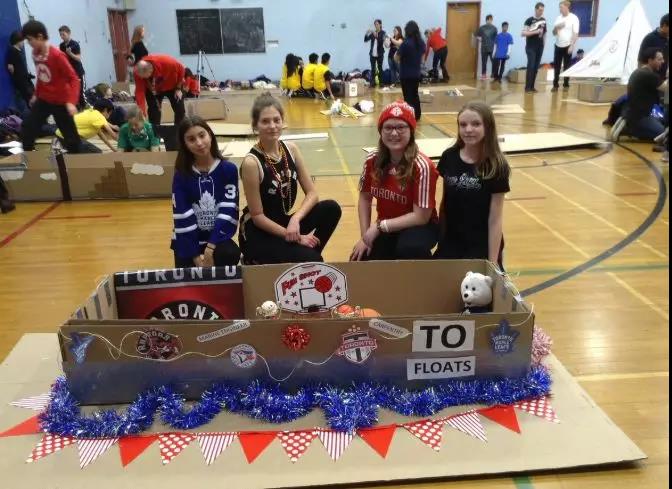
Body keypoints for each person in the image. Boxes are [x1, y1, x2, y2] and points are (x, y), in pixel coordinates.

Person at [239, 94, 341, 264]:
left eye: (276, 120)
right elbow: (257, 216)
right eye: (265, 121)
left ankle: (303, 255)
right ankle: (256, 259)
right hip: (258, 232)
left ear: (282, 122)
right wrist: (297, 237)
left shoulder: (291, 149)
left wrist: (295, 219)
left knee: (331, 208)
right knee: (314, 260)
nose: (272, 126)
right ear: (255, 126)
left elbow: (312, 194)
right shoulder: (252, 163)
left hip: (284, 223)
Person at [351, 101, 438, 261]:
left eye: (400, 127)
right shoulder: (372, 160)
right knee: (360, 258)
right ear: (380, 131)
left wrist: (379, 227)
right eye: (388, 127)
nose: (394, 133)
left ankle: (425, 270)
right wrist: (365, 237)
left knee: (409, 248)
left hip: (419, 227)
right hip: (387, 226)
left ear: (411, 131)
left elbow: (421, 217)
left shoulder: (422, 166)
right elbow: (364, 198)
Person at [434, 101, 511, 270]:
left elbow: (495, 219)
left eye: (476, 124)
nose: (468, 129)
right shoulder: (449, 157)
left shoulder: (496, 165)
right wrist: (441, 239)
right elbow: (444, 203)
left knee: (479, 285)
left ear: (487, 127)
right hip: (452, 241)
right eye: (463, 125)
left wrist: (492, 263)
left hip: (480, 243)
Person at [171, 116, 241, 268]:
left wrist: (210, 247)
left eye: (202, 135)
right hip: (189, 239)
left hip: (216, 238)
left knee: (230, 253)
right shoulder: (181, 175)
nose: (199, 143)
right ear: (184, 144)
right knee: (186, 268)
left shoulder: (228, 170)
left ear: (210, 135)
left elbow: (228, 209)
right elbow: (182, 215)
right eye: (191, 139)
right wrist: (196, 257)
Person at [19, 20, 81, 154]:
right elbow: (41, 77)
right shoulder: (35, 54)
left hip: (61, 101)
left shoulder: (57, 55)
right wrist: (36, 94)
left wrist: (71, 102)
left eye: (30, 39)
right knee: (28, 128)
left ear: (40, 36)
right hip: (45, 99)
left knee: (71, 139)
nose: (28, 43)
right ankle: (29, 157)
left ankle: (77, 160)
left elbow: (74, 79)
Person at [613, 48, 667, 141]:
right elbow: (666, 88)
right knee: (664, 135)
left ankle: (629, 125)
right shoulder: (649, 75)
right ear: (650, 60)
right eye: (659, 59)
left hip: (632, 114)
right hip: (640, 118)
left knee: (662, 121)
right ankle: (630, 129)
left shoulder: (638, 71)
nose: (663, 61)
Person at [134, 54, 187, 129]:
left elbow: (182, 69)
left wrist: (178, 88)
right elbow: (140, 92)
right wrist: (141, 112)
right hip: (153, 89)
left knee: (179, 108)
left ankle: (179, 130)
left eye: (144, 77)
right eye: (141, 77)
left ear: (150, 71)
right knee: (154, 109)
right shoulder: (138, 71)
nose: (142, 79)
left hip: (173, 85)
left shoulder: (167, 63)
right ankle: (155, 131)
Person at [395, 21, 426, 122]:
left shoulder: (406, 43)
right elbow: (423, 57)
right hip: (416, 73)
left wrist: (399, 51)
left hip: (406, 74)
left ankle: (409, 116)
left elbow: (396, 58)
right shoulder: (421, 42)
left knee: (408, 96)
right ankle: (417, 115)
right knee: (415, 94)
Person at [551, 1, 579, 92]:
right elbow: (553, 33)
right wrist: (556, 27)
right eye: (559, 7)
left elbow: (575, 33)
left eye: (561, 7)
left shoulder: (574, 18)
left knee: (567, 66)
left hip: (568, 45)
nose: (560, 9)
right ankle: (555, 85)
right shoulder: (558, 18)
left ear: (567, 7)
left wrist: (572, 45)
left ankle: (566, 84)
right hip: (558, 45)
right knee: (557, 66)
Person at [5, 31, 34, 115]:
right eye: (22, 41)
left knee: (31, 99)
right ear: (18, 41)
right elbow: (10, 67)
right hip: (22, 82)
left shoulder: (17, 51)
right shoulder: (13, 51)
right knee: (29, 100)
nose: (23, 43)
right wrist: (18, 77)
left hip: (24, 80)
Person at [522, 2, 547, 93]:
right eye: (540, 10)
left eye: (542, 10)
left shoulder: (543, 20)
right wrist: (535, 32)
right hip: (530, 47)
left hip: (540, 47)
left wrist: (544, 44)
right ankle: (527, 88)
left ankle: (532, 87)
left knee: (536, 67)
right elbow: (523, 33)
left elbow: (544, 33)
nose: (541, 12)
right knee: (531, 66)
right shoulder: (529, 20)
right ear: (536, 9)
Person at [58, 26, 85, 108]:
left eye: (63, 34)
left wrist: (70, 54)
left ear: (69, 33)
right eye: (60, 35)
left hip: (78, 72)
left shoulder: (75, 44)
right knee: (72, 93)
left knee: (81, 94)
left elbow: (78, 58)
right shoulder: (61, 45)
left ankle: (85, 109)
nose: (62, 36)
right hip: (69, 73)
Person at [639, 14, 668, 78]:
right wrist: (644, 77)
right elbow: (641, 61)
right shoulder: (650, 38)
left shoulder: (667, 39)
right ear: (664, 25)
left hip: (663, 78)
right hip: (650, 78)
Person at [364, 19, 386, 87]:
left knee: (380, 68)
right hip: (372, 54)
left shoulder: (383, 33)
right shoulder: (373, 33)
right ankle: (372, 82)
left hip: (380, 54)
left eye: (377, 24)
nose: (376, 26)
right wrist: (366, 33)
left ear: (380, 25)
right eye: (375, 24)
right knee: (373, 68)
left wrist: (376, 35)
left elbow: (381, 41)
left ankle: (381, 82)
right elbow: (365, 40)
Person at [476, 15, 498, 80]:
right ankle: (483, 75)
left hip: (492, 48)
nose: (490, 21)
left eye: (491, 19)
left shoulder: (494, 28)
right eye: (489, 19)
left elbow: (496, 38)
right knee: (484, 62)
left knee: (494, 61)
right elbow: (476, 35)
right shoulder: (482, 28)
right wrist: (480, 39)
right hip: (484, 48)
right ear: (487, 20)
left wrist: (496, 47)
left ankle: (493, 75)